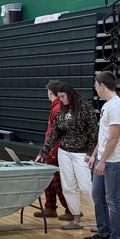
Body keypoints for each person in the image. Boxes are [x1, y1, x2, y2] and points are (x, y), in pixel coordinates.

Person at [38, 84, 98, 229]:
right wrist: (43, 152)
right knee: (68, 187)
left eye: (63, 96)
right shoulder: (62, 110)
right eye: (59, 96)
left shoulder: (85, 107)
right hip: (64, 152)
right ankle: (76, 219)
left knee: (86, 187)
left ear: (70, 94)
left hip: (81, 153)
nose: (61, 99)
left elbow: (94, 132)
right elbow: (54, 133)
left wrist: (90, 154)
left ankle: (102, 219)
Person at [85, 72, 120, 239]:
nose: (95, 88)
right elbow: (103, 137)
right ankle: (104, 232)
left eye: (96, 85)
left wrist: (102, 161)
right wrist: (95, 155)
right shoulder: (107, 106)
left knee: (113, 200)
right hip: (103, 160)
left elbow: (114, 137)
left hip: (114, 162)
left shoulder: (117, 107)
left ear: (102, 85)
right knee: (98, 197)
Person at [36, 80, 72, 222]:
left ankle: (70, 209)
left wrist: (51, 150)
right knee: (50, 180)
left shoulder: (57, 108)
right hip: (52, 149)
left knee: (59, 181)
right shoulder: (56, 107)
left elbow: (57, 133)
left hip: (55, 150)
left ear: (50, 92)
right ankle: (50, 207)